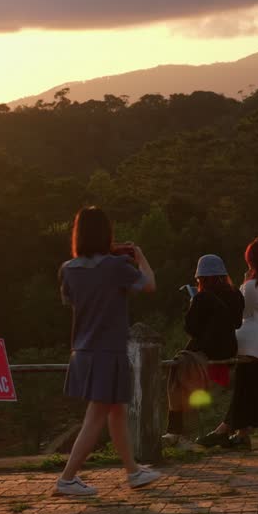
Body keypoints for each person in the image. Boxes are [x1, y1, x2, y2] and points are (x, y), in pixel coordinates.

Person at [55, 206, 163, 495]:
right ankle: (67, 479)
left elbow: (70, 300)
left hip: (82, 349)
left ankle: (133, 472)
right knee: (97, 415)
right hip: (108, 350)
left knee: (117, 411)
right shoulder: (116, 267)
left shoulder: (67, 269)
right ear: (107, 234)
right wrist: (138, 256)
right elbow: (149, 284)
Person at [197, 238, 258, 450]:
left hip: (252, 342)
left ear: (253, 262)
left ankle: (224, 431)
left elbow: (244, 314)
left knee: (244, 386)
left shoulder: (250, 286)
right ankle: (239, 434)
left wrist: (242, 286)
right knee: (249, 387)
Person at [166, 254, 244, 441]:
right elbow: (237, 323)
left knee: (176, 373)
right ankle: (180, 431)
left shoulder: (202, 297)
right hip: (230, 349)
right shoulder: (236, 295)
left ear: (202, 278)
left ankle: (175, 430)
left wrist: (193, 303)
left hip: (206, 350)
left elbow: (190, 328)